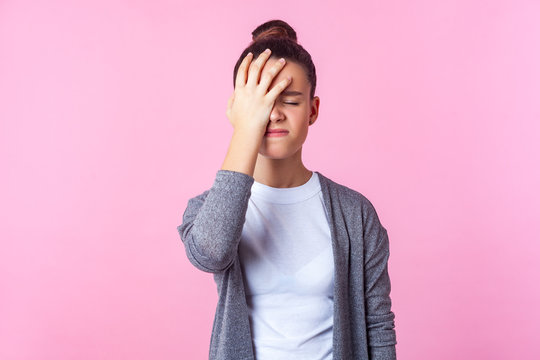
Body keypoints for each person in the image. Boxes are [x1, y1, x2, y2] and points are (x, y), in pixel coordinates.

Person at [177, 19, 397, 360]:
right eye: (262, 103)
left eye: (290, 102)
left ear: (312, 110)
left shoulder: (355, 213)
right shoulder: (209, 208)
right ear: (239, 109)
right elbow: (211, 253)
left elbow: (378, 327)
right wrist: (246, 129)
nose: (274, 114)